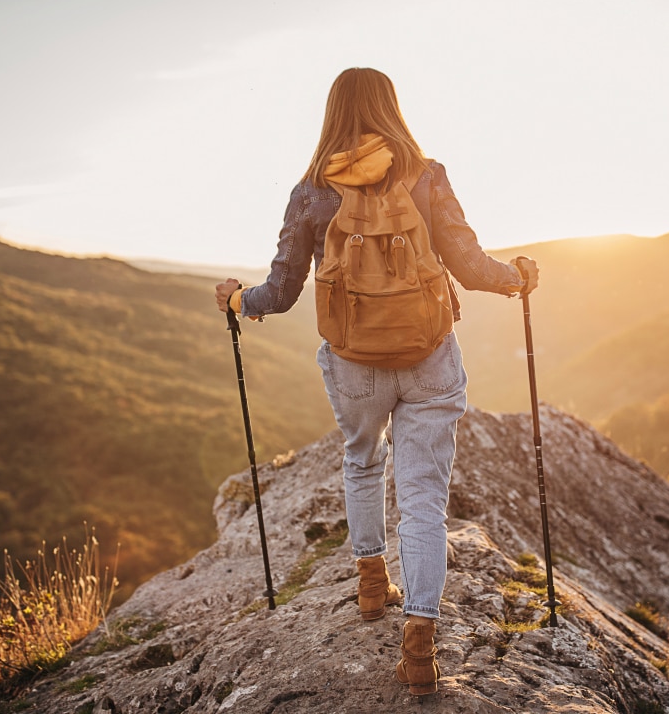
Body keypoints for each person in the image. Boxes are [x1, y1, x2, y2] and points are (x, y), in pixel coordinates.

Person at [215, 67, 538, 696]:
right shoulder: (426, 174)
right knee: (422, 496)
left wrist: (236, 301)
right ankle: (419, 646)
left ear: (332, 113)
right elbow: (469, 265)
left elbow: (280, 293)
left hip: (355, 362)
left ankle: (370, 585)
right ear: (392, 107)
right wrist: (517, 277)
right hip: (428, 356)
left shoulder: (312, 190)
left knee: (363, 460)